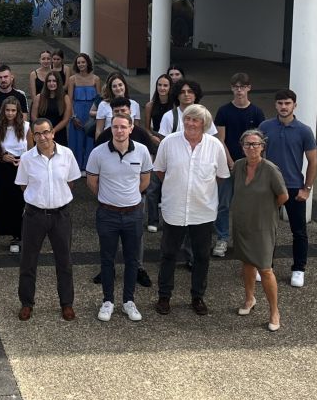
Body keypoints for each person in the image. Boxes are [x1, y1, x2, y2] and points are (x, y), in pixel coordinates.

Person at [152, 104, 229, 316]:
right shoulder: (169, 142)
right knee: (168, 254)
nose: (190, 124)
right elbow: (159, 170)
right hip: (174, 209)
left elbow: (221, 176)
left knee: (202, 256)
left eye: (195, 120)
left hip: (202, 211)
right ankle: (164, 296)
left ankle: (197, 297)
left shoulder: (215, 146)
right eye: (187, 119)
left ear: (204, 124)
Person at [86, 112, 152, 323]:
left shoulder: (142, 151)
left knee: (132, 260)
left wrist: (129, 198)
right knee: (107, 259)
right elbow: (92, 182)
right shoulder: (98, 153)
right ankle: (108, 301)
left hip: (133, 214)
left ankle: (128, 301)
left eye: (124, 127)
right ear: (111, 129)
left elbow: (145, 180)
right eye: (115, 127)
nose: (119, 131)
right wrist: (109, 199)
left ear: (131, 128)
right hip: (107, 214)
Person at [15, 118, 82, 321]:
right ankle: (27, 303)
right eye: (37, 134)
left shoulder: (67, 154)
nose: (42, 137)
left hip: (61, 215)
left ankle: (66, 304)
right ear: (33, 136)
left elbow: (70, 182)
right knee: (28, 261)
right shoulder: (27, 158)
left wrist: (56, 200)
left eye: (45, 132)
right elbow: (23, 185)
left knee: (64, 262)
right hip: (35, 215)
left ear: (53, 133)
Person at [259, 89, 317, 289]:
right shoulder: (265, 126)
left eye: (287, 103)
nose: (283, 107)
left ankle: (299, 269)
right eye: (280, 103)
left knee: (299, 231)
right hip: (270, 187)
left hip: (294, 187)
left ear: (294, 105)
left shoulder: (304, 130)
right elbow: (257, 155)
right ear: (275, 105)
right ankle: (266, 265)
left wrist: (307, 188)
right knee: (267, 230)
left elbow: (313, 161)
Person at [230, 129, 288, 331]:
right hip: (241, 223)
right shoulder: (238, 166)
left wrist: (266, 209)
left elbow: (283, 196)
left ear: (263, 147)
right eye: (247, 144)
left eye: (255, 144)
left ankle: (274, 311)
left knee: (265, 269)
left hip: (262, 225)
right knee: (246, 263)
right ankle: (249, 299)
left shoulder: (271, 169)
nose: (251, 148)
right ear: (242, 146)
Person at [213, 73, 266, 258]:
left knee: (248, 205)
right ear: (231, 88)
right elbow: (221, 139)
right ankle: (222, 238)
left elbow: (259, 142)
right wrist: (230, 163)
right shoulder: (223, 111)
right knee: (223, 204)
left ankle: (247, 240)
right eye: (236, 86)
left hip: (250, 166)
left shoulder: (257, 112)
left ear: (249, 88)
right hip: (228, 166)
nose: (239, 90)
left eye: (242, 86)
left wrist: (252, 163)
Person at [0, 97, 33, 256]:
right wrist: (3, 157)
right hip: (3, 169)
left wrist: (24, 161)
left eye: (13, 110)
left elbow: (31, 149)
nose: (10, 113)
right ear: (3, 111)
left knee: (20, 203)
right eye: (7, 110)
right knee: (4, 202)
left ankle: (18, 237)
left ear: (18, 112)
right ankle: (9, 234)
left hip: (21, 167)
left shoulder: (27, 127)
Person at [142, 74, 173, 232]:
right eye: (160, 85)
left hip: (172, 143)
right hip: (156, 143)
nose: (162, 88)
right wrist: (152, 137)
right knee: (153, 186)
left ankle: (170, 219)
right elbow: (146, 127)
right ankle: (153, 220)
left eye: (165, 85)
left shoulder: (174, 105)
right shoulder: (150, 105)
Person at [66, 53, 101, 170]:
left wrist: (98, 116)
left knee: (91, 140)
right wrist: (73, 117)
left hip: (92, 113)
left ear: (88, 63)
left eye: (83, 62)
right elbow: (69, 100)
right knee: (77, 141)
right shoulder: (72, 79)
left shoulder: (96, 79)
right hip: (77, 112)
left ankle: (89, 167)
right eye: (78, 62)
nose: (81, 64)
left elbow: (99, 100)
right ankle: (76, 168)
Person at [94, 72, 141, 137]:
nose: (118, 88)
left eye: (120, 85)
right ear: (111, 89)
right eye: (114, 86)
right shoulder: (103, 105)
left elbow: (137, 129)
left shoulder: (134, 104)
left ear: (125, 85)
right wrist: (98, 144)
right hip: (108, 140)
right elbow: (99, 130)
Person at [31, 71, 71, 145]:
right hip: (41, 134)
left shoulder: (65, 98)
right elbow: (33, 116)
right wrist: (43, 129)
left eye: (54, 81)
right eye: (49, 81)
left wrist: (53, 131)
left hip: (59, 133)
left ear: (58, 82)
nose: (51, 83)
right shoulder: (39, 97)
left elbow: (66, 119)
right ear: (46, 83)